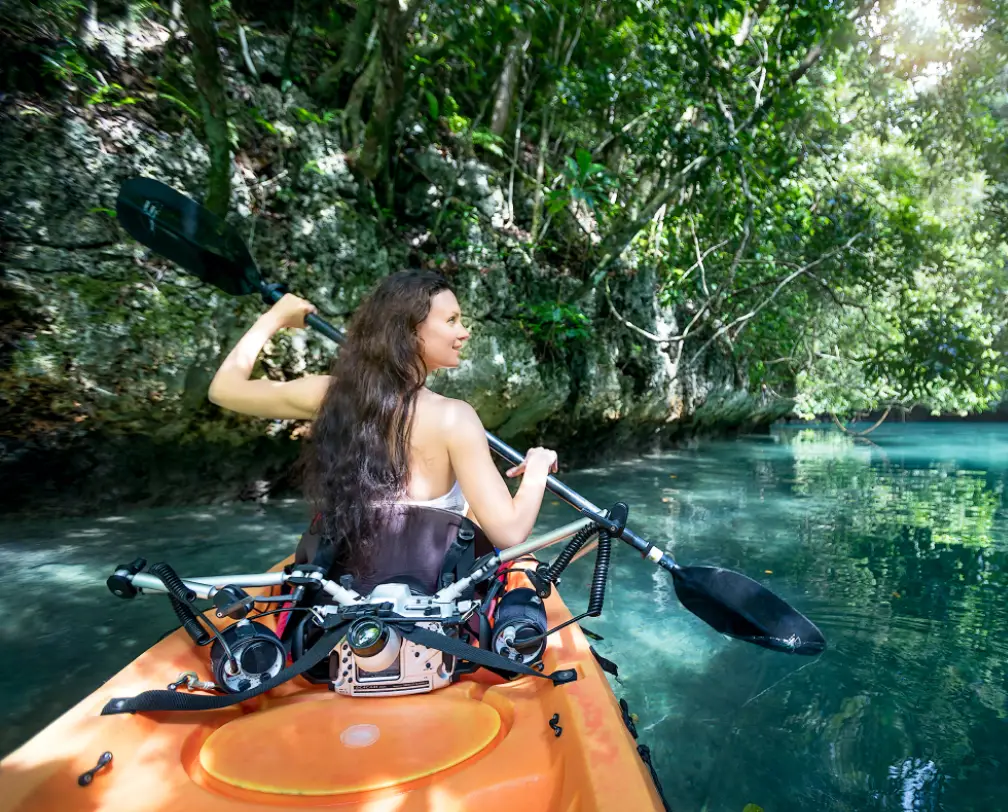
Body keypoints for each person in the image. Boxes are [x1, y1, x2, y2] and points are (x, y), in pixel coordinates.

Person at [207, 269, 559, 578]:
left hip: (345, 590)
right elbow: (508, 533)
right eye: (451, 320)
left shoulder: (328, 394)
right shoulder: (454, 416)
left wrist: (276, 317)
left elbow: (224, 390)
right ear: (409, 332)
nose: (464, 332)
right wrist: (538, 467)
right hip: (430, 599)